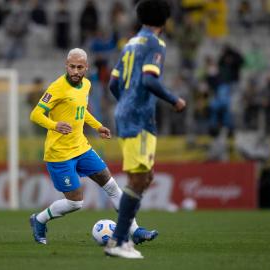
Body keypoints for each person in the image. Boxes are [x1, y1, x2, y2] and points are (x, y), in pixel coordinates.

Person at [29, 48, 157, 246]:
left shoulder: (86, 85)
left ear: (86, 68)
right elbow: (36, 114)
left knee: (112, 186)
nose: (75, 71)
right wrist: (55, 125)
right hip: (59, 154)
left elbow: (81, 111)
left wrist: (98, 126)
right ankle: (39, 220)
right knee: (75, 202)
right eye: (72, 67)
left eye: (80, 67)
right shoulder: (57, 88)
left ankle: (135, 231)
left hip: (81, 147)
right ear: (66, 66)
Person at [105, 0, 186, 259]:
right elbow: (150, 79)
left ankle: (121, 240)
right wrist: (175, 100)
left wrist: (126, 103)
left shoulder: (130, 43)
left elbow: (113, 83)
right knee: (138, 179)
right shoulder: (155, 43)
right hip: (139, 118)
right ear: (166, 20)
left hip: (130, 115)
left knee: (146, 176)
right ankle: (119, 242)